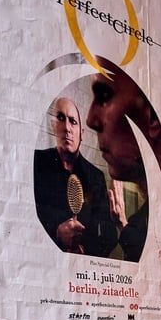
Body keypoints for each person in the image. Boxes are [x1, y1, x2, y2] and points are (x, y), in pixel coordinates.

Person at [86, 61, 161, 262]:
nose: (91, 120)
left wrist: (123, 224)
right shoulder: (149, 215)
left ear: (153, 117)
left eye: (105, 96)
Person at [33, 97, 116, 256]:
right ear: (53, 126)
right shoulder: (36, 163)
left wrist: (86, 253)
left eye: (73, 121)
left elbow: (109, 235)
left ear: (81, 133)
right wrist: (56, 234)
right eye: (61, 118)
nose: (67, 128)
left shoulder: (96, 177)